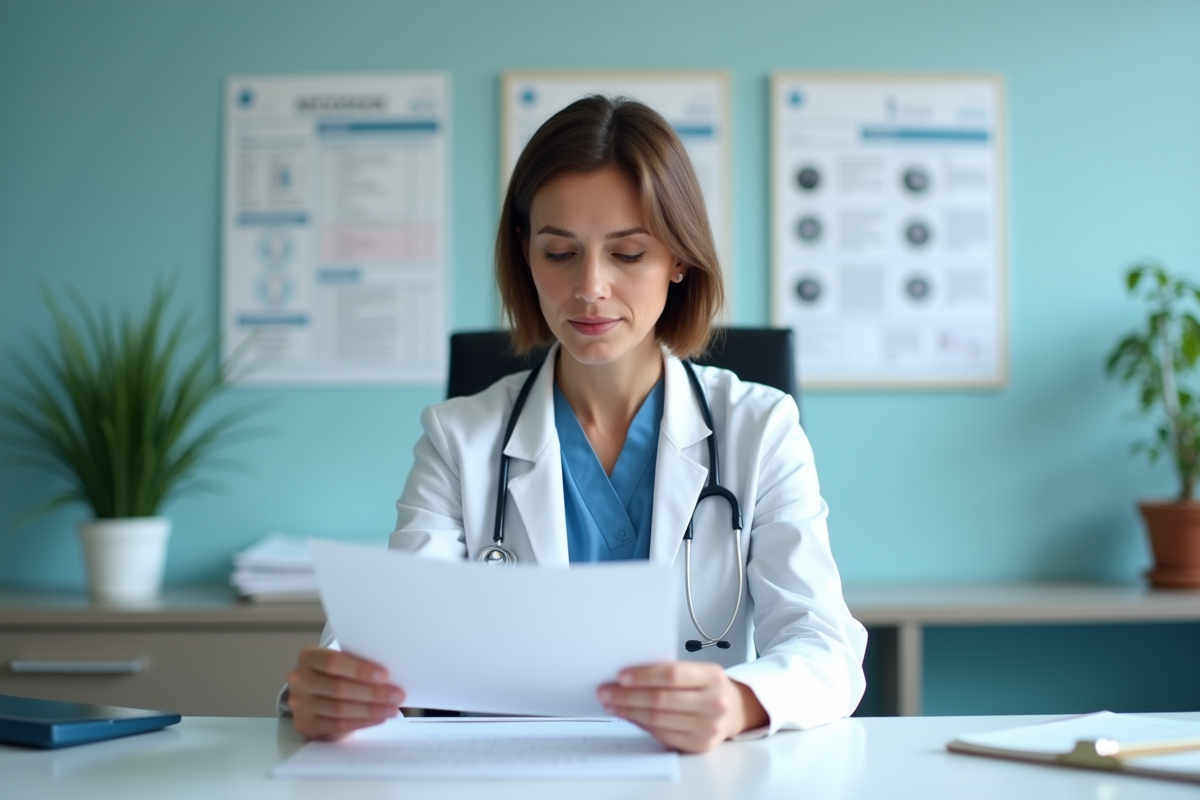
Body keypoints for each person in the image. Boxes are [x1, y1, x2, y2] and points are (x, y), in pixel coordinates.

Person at [283, 96, 867, 753]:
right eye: (560, 253)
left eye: (628, 254)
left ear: (679, 258)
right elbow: (389, 636)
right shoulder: (458, 439)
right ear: (525, 254)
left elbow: (825, 646)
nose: (590, 287)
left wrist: (737, 702)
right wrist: (337, 689)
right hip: (509, 778)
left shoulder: (760, 428)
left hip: (699, 776)